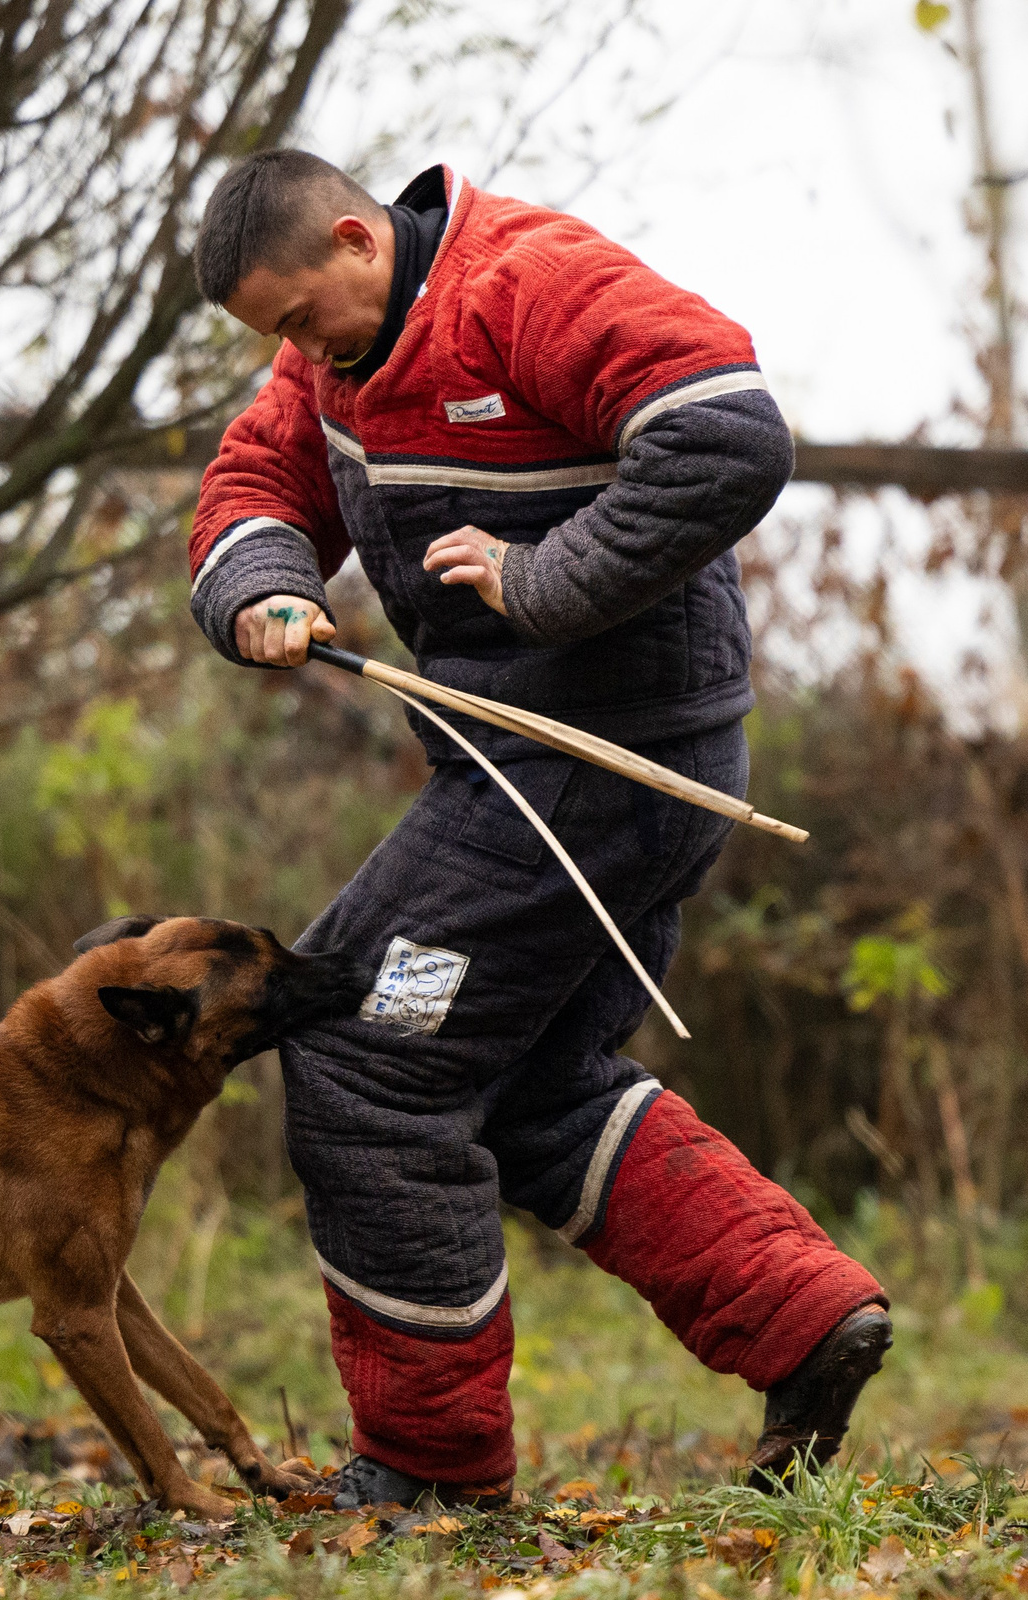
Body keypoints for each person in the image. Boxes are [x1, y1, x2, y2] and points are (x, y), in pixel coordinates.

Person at [186, 149, 890, 1510]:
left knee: (360, 1054)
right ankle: (803, 1320)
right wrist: (265, 587)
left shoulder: (530, 285)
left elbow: (732, 430)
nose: (293, 353)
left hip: (594, 777)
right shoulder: (334, 368)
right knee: (527, 1081)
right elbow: (254, 488)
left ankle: (431, 1470)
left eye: (291, 317)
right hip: (531, 781)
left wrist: (540, 580)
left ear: (356, 240)